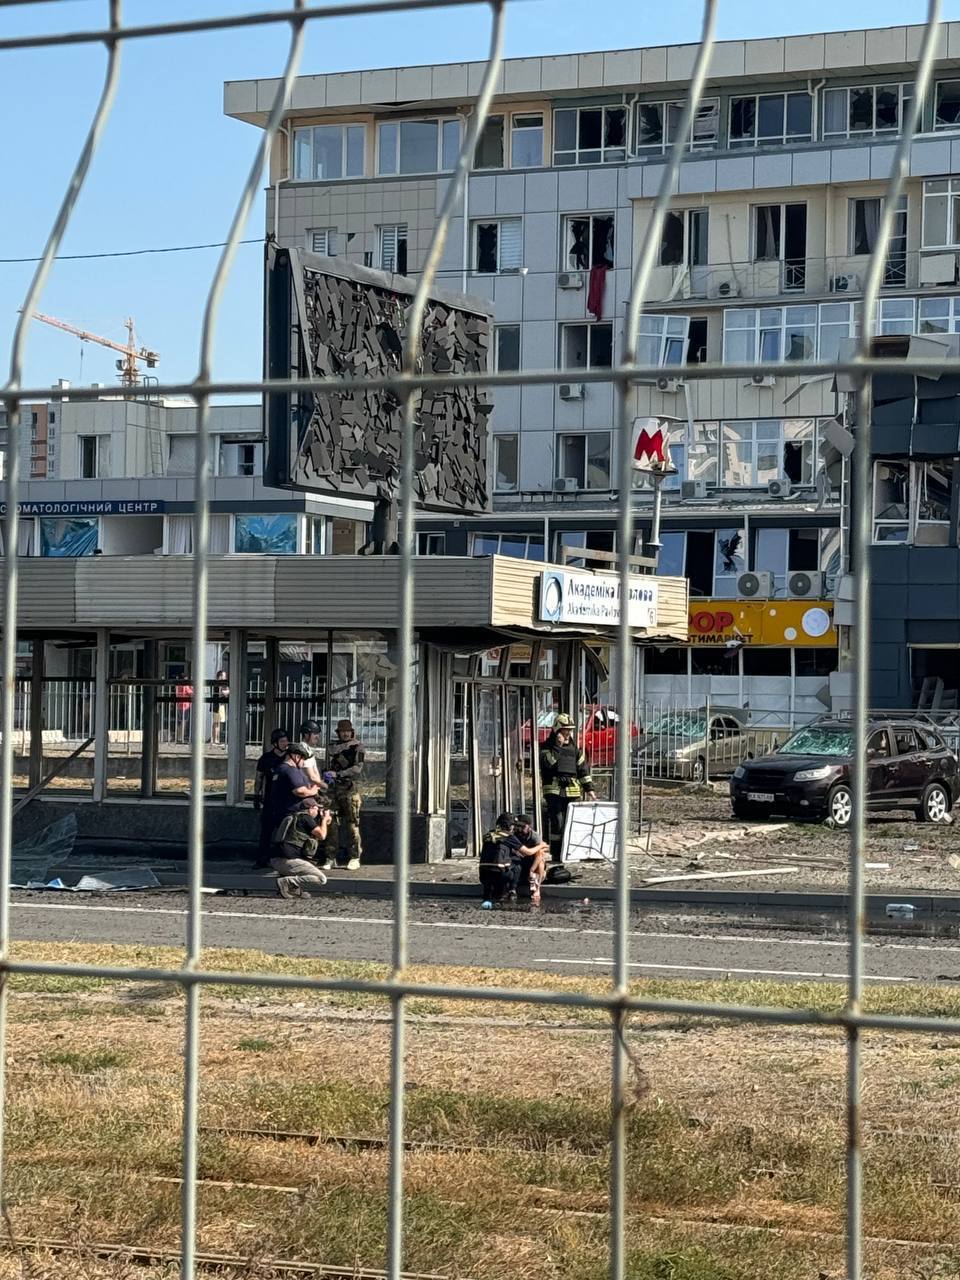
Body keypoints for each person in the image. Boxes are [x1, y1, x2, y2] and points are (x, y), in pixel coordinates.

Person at [539, 713, 596, 866]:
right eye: (565, 730)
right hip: (554, 791)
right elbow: (548, 764)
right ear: (557, 730)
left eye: (570, 730)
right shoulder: (546, 748)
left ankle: (571, 852)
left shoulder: (574, 749)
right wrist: (557, 747)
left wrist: (589, 788)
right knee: (557, 823)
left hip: (573, 790)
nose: (568, 733)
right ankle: (556, 853)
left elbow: (582, 769)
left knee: (573, 823)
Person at [322, 719, 365, 871]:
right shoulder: (332, 747)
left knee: (352, 824)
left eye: (347, 731)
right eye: (342, 731)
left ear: (352, 732)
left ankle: (354, 857)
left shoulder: (357, 747)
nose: (345, 734)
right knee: (331, 822)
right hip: (333, 789)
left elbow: (357, 768)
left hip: (350, 789)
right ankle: (330, 856)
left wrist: (339, 774)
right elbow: (327, 764)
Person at [270, 797, 331, 898]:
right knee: (321, 878)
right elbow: (322, 835)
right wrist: (324, 820)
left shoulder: (292, 817)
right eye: (317, 809)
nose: (317, 812)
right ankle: (287, 881)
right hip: (288, 861)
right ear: (311, 808)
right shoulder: (305, 818)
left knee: (305, 865)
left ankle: (293, 889)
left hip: (276, 859)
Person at [264, 741, 321, 840]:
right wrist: (313, 791)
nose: (303, 763)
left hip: (284, 814)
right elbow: (300, 791)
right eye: (303, 759)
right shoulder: (290, 770)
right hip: (293, 817)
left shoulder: (281, 768)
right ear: (296, 757)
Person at [253, 728, 289, 867]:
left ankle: (284, 859)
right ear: (275, 743)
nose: (285, 744)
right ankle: (262, 859)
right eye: (282, 741)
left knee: (286, 832)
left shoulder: (290, 757)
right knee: (266, 832)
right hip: (270, 800)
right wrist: (256, 795)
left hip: (286, 800)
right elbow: (259, 778)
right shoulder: (266, 758)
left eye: (286, 741)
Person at [478, 812, 521, 907]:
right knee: (517, 864)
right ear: (509, 826)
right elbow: (527, 852)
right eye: (513, 825)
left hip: (483, 874)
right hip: (499, 874)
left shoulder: (488, 835)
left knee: (488, 898)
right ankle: (512, 890)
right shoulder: (508, 836)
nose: (514, 828)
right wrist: (541, 846)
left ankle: (488, 898)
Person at [513, 814, 550, 907]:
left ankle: (537, 889)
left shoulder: (534, 836)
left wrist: (532, 869)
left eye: (522, 826)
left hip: (531, 864)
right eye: (518, 826)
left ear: (529, 826)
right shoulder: (514, 835)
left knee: (540, 859)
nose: (519, 828)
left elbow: (540, 853)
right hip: (520, 862)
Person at [211, 670, 229, 746]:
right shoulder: (218, 684)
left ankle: (216, 739)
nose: (225, 677)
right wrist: (228, 691)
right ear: (220, 676)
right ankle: (215, 740)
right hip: (217, 705)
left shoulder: (221, 684)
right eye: (224, 676)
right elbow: (223, 693)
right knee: (216, 723)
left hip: (220, 704)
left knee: (218, 723)